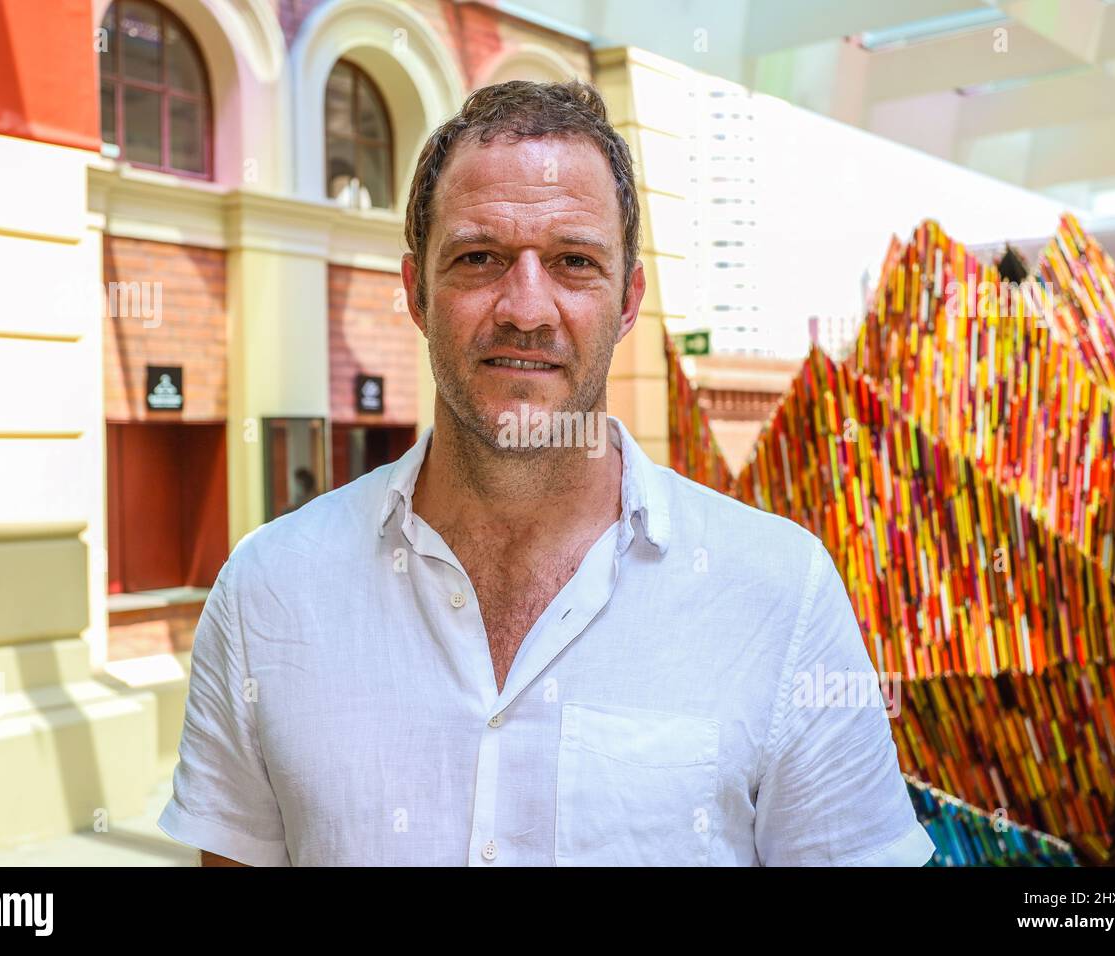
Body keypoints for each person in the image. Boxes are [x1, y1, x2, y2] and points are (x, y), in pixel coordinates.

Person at [158, 79, 935, 867]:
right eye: (479, 258)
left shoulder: (778, 593)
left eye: (573, 261)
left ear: (629, 299)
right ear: (416, 293)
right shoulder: (267, 593)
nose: (526, 307)